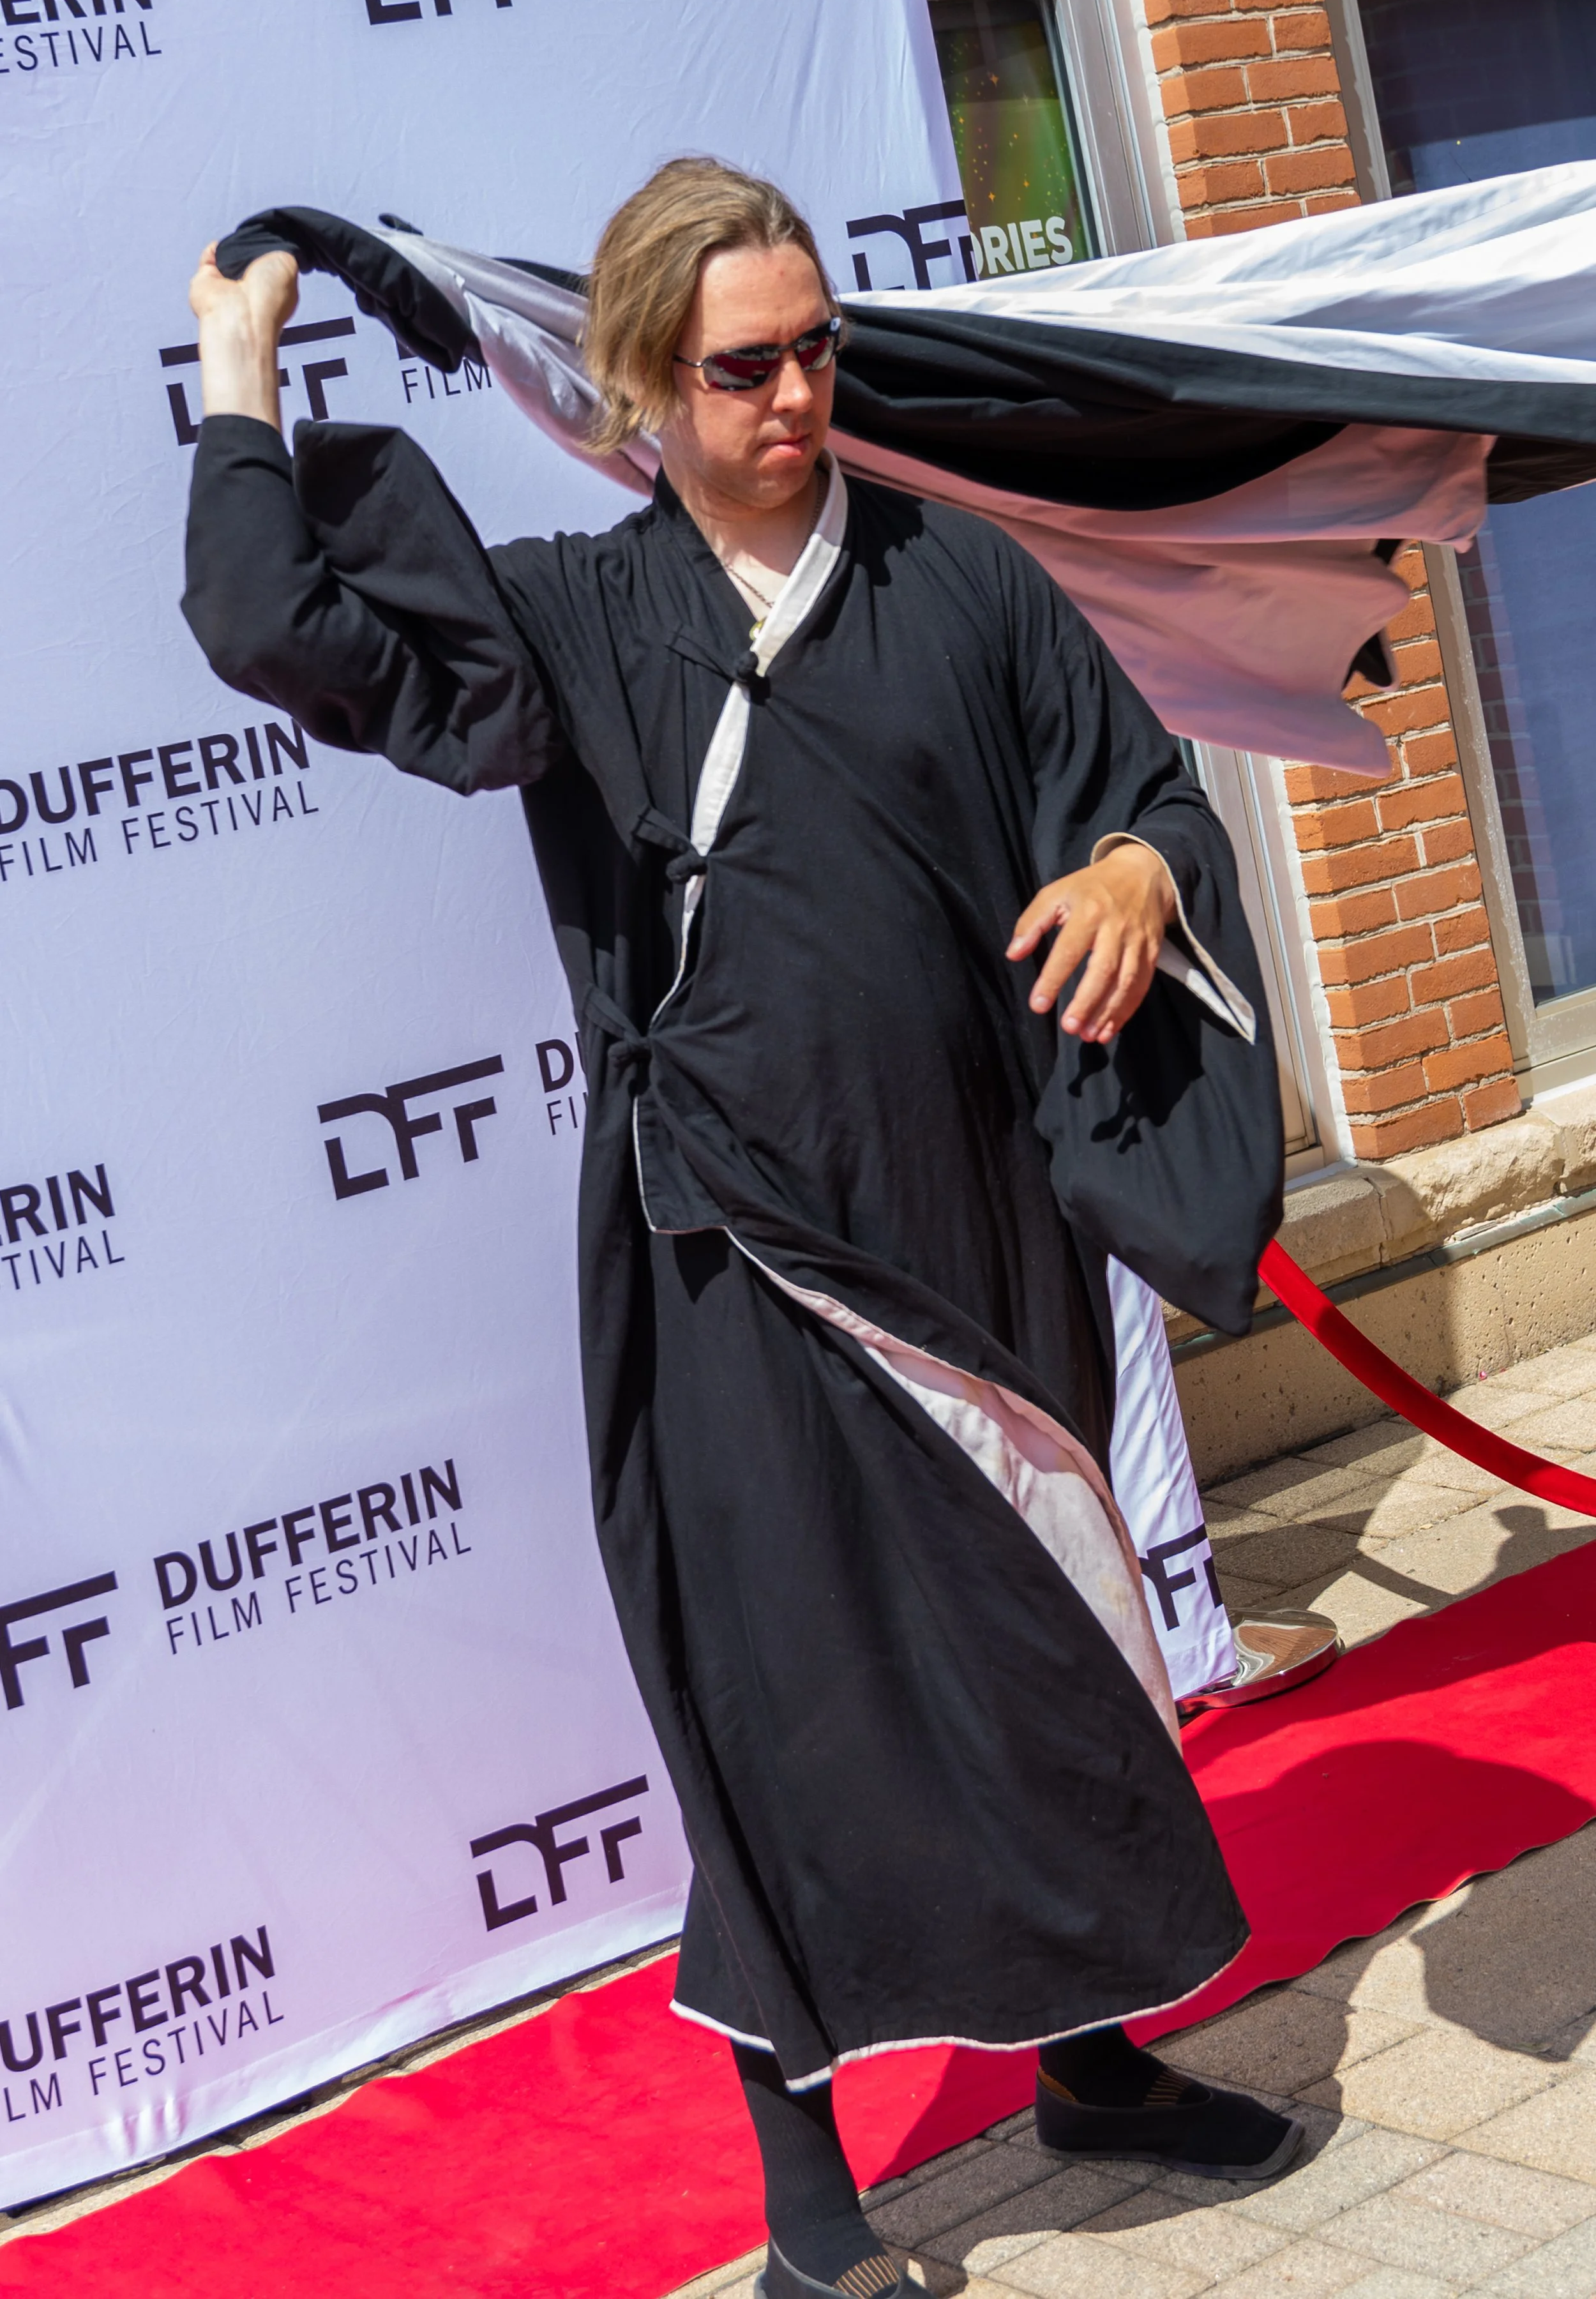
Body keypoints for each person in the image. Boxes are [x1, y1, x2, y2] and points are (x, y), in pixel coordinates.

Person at [182, 157, 1297, 2299]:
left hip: (978, 1220)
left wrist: (1147, 873)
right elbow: (274, 623)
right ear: (638, 386)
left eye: (817, 352)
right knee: (780, 1706)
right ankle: (811, 2211)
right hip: (734, 1263)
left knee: (1043, 1642)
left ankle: (1091, 2060)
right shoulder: (571, 626)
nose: (795, 395)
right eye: (743, 366)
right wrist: (243, 376)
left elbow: (1138, 788)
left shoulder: (962, 585)